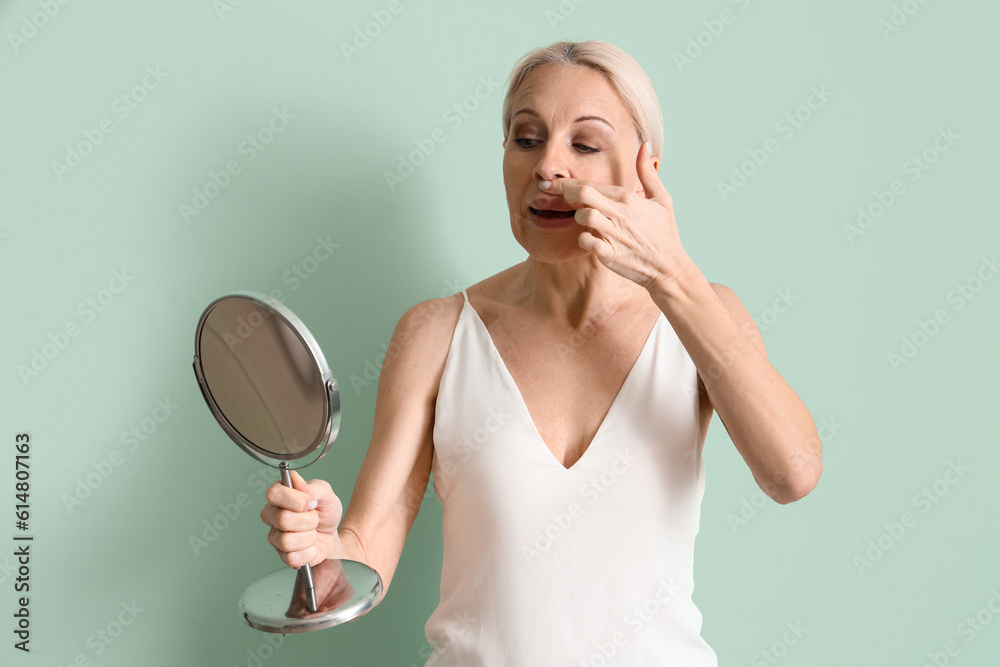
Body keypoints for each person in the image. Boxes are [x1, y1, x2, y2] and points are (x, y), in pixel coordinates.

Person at [259, 40, 823, 665]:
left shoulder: (702, 313)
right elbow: (364, 557)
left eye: (584, 144)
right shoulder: (436, 333)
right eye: (526, 138)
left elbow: (792, 473)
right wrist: (323, 548)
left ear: (644, 171)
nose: (548, 166)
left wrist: (669, 272)